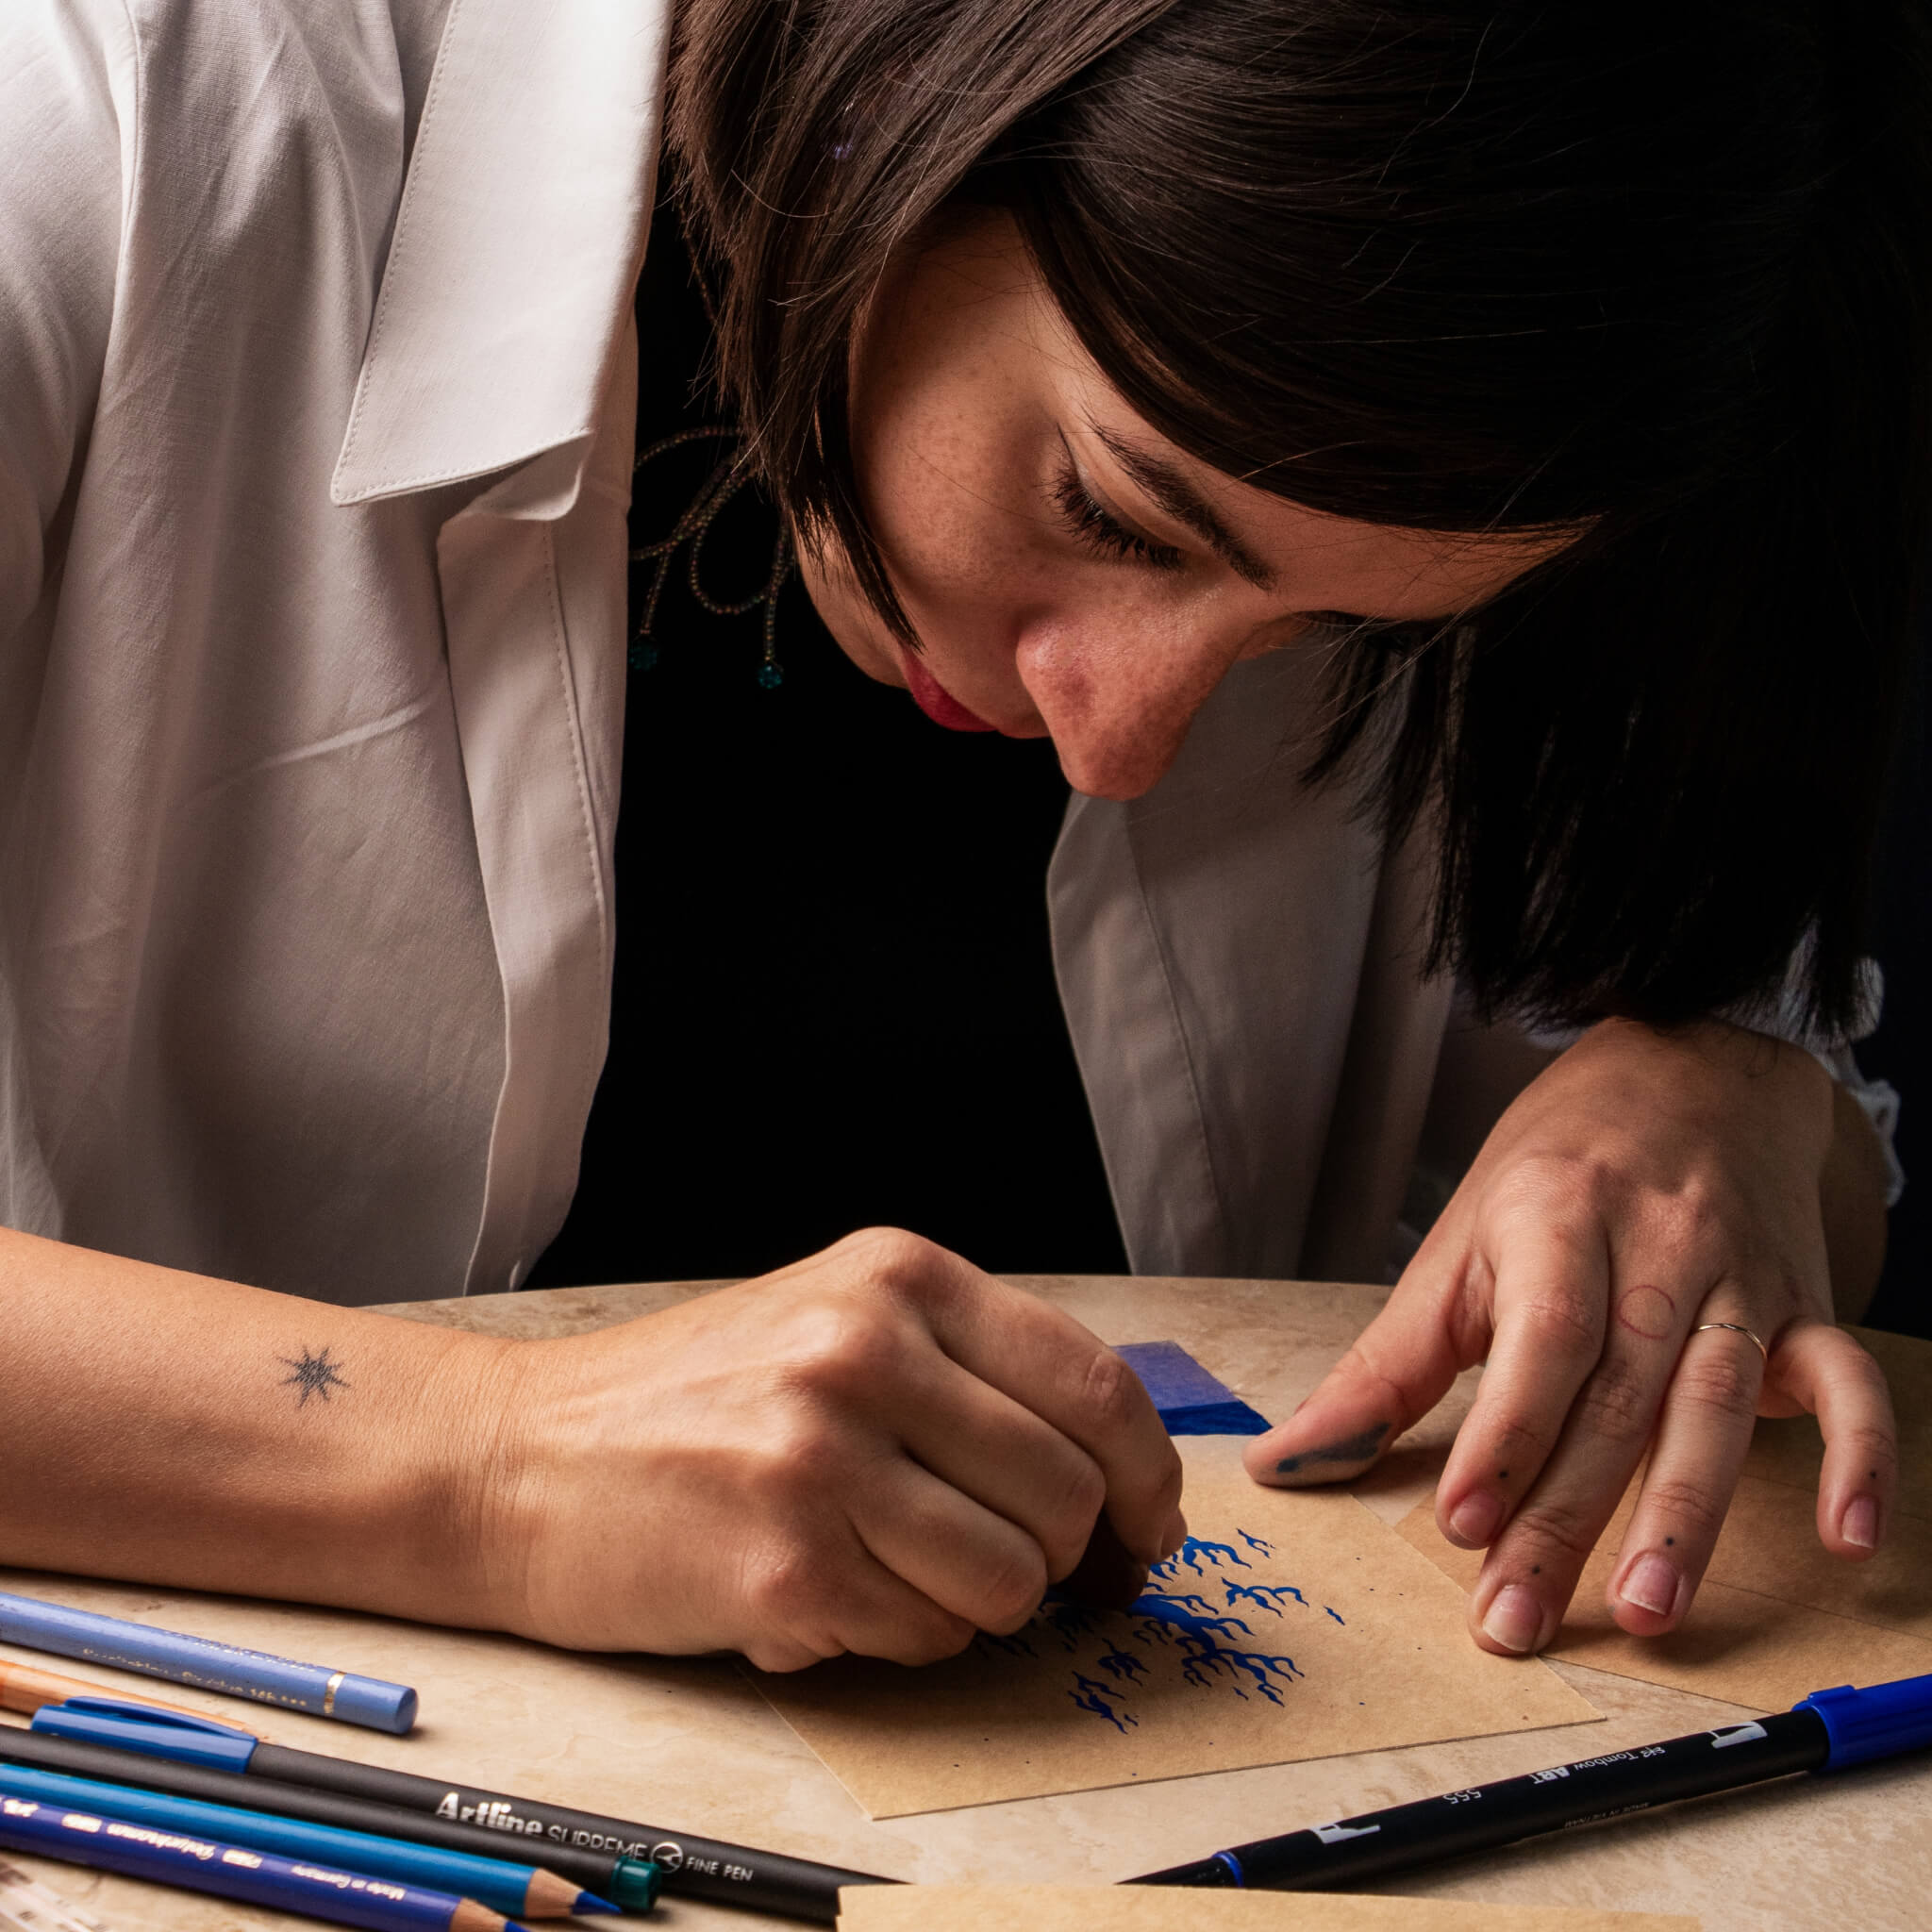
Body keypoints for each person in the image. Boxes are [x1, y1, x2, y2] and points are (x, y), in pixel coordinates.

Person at [0, 0, 1924, 1671]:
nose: (1120, 740)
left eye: (1331, 632)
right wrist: (492, 1465)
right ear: (894, 92)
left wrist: (1731, 1096)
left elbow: (1704, 1021)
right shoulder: (95, 128)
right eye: (1119, 509)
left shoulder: (1571, 392)